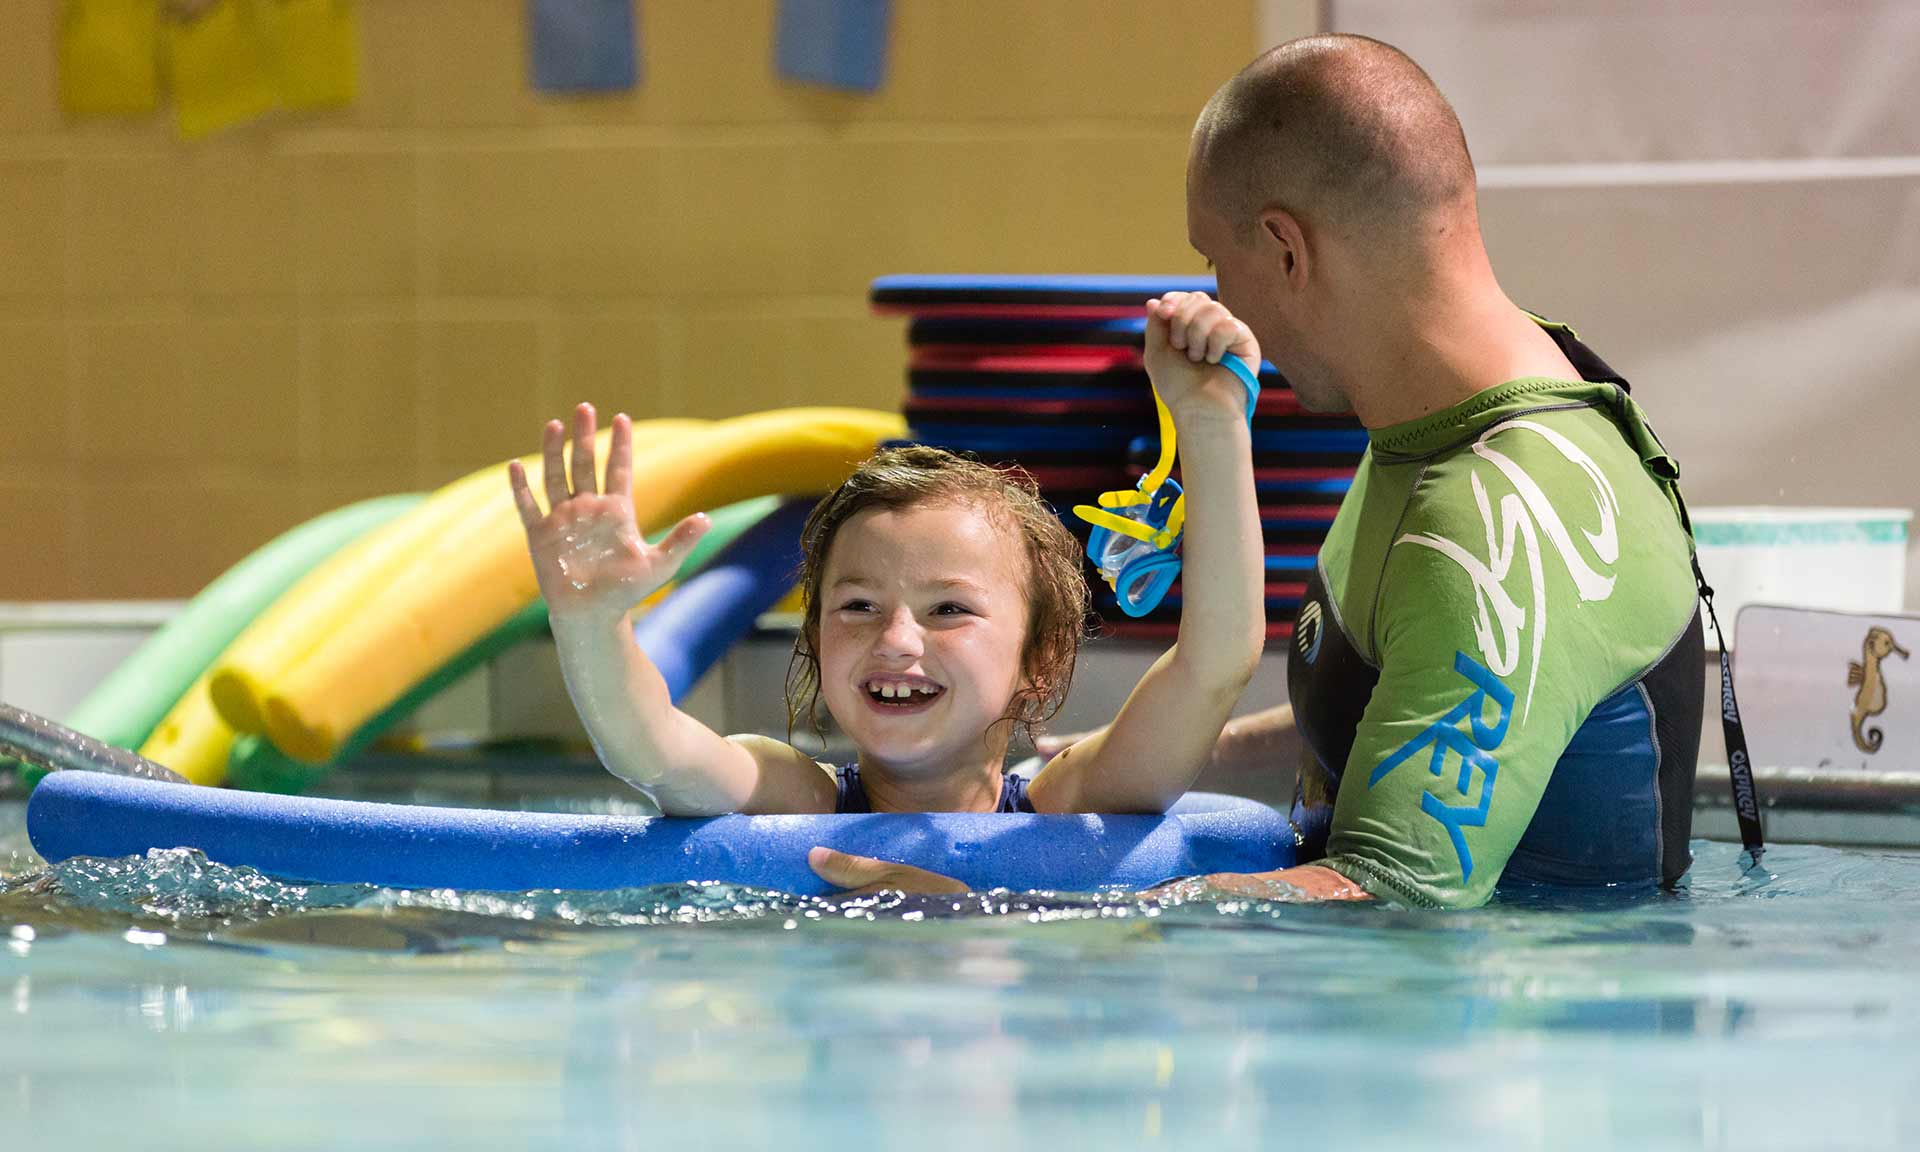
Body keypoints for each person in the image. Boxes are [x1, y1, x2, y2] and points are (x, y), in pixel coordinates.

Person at [825, 33, 1707, 907]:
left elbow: (1388, 898)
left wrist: (992, 906)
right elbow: (1442, 693)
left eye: (1216, 260)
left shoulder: (1498, 517)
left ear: (1286, 250)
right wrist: (1116, 758)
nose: (1216, 294)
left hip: (1521, 1029)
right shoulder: (1450, 420)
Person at [506, 292, 1266, 839]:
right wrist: (593, 624)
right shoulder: (790, 797)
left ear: (1041, 658)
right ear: (815, 638)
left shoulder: (1075, 802)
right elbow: (654, 751)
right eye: (858, 607)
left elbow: (1216, 662)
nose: (897, 641)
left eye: (948, 609)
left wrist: (1211, 422)